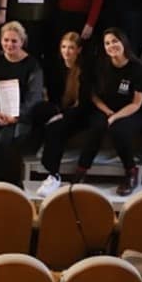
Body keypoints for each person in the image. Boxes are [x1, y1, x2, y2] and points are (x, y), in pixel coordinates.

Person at [77, 29, 142, 196]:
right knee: (96, 127)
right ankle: (81, 171)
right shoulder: (100, 65)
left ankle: (130, 173)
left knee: (119, 130)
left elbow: (136, 104)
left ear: (124, 42)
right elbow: (94, 95)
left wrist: (115, 116)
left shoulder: (138, 69)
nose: (111, 46)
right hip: (105, 109)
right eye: (107, 43)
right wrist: (108, 112)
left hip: (129, 111)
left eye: (115, 41)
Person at [0, 22, 46, 184]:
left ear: (22, 42)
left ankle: (4, 183)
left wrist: (15, 116)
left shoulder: (33, 65)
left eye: (14, 41)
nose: (9, 44)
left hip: (21, 115)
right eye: (6, 40)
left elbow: (34, 97)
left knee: (4, 139)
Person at [34, 33, 93, 197]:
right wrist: (55, 112)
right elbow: (50, 96)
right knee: (39, 110)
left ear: (79, 50)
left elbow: (83, 103)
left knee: (56, 128)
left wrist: (62, 115)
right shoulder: (55, 67)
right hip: (58, 108)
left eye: (71, 48)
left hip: (79, 112)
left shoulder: (85, 71)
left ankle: (53, 175)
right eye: (64, 47)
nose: (67, 51)